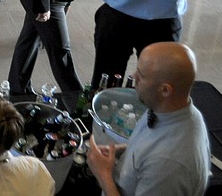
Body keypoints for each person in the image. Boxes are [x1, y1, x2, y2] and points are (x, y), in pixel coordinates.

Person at [86, 42, 211, 196]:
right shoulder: (169, 108)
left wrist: (103, 175)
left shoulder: (168, 164)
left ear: (165, 90)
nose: (133, 77)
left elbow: (157, 158)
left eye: (141, 75)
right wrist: (119, 150)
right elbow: (150, 146)